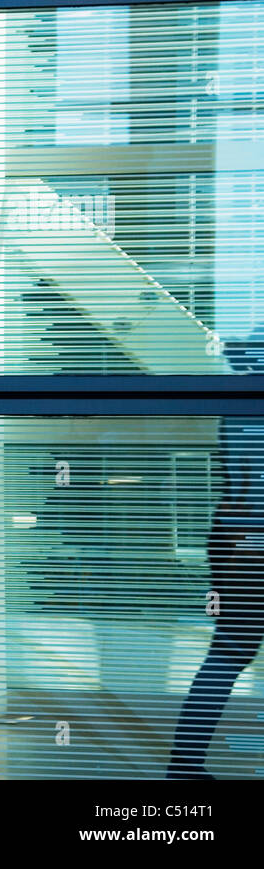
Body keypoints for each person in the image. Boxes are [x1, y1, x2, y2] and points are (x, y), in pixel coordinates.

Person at [167, 331, 264, 778]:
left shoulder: (238, 407)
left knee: (227, 654)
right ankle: (184, 765)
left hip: (233, 538)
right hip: (248, 540)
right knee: (228, 654)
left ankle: (185, 764)